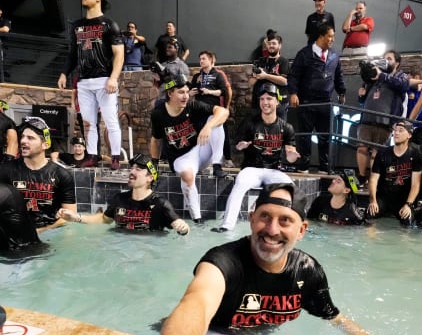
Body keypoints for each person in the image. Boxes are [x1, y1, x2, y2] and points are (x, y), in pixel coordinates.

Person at [140, 183, 410, 335]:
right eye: (264, 217)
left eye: (285, 221)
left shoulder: (306, 271)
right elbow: (197, 301)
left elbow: (334, 317)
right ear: (250, 219)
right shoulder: (225, 260)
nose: (271, 230)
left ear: (302, 230)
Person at [211, 83, 300, 233]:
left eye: (269, 99)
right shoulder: (250, 123)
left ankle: (297, 226)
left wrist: (291, 156)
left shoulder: (286, 127)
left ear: (277, 102)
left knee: (292, 188)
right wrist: (240, 146)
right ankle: (227, 225)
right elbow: (236, 147)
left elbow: (291, 157)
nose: (265, 103)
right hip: (251, 168)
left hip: (274, 170)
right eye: (262, 99)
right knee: (239, 185)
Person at [57, 0, 124, 170]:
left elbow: (119, 53)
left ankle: (116, 157)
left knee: (111, 120)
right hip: (84, 81)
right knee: (88, 123)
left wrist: (113, 78)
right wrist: (63, 73)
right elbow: (73, 53)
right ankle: (92, 155)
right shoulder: (77, 25)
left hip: (104, 79)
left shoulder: (109, 24)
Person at [150, 75, 229, 223]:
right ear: (170, 93)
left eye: (187, 92)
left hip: (201, 148)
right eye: (181, 92)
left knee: (216, 120)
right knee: (187, 175)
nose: (185, 96)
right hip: (181, 158)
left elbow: (224, 112)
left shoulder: (192, 105)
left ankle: (217, 165)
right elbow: (155, 140)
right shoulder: (158, 114)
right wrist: (154, 166)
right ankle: (197, 219)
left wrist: (207, 127)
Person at [57, 154, 190, 234]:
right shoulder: (120, 199)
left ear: (150, 178)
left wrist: (184, 228)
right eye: (131, 168)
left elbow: (179, 224)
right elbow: (103, 219)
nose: (131, 172)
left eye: (138, 169)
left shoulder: (160, 204)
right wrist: (75, 217)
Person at [0, 116, 76, 234]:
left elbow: (70, 218)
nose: (23, 141)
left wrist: (41, 231)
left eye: (30, 138)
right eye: (23, 137)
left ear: (45, 145)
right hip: (15, 233)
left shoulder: (62, 175)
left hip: (50, 233)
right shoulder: (6, 170)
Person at [288, 23, 346, 174]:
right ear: (321, 36)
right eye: (330, 36)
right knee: (305, 136)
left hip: (326, 103)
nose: (332, 39)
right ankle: (303, 167)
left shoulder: (334, 55)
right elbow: (293, 76)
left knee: (325, 137)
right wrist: (293, 93)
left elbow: (338, 76)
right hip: (307, 102)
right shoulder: (304, 54)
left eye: (333, 36)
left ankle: (324, 168)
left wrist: (342, 92)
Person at [356, 50, 409, 185]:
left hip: (385, 122)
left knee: (377, 153)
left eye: (390, 59)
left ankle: (374, 181)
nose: (386, 61)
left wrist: (382, 76)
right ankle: (361, 178)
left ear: (397, 63)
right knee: (362, 148)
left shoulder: (400, 76)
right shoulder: (374, 76)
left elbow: (404, 85)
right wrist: (361, 96)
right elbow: (363, 99)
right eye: (384, 58)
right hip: (367, 119)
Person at [367, 121, 422, 225]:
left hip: (404, 199)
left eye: (401, 131)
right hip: (384, 197)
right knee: (369, 216)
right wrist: (373, 200)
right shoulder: (382, 153)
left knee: (408, 222)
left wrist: (408, 204)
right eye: (395, 130)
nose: (396, 133)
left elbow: (416, 184)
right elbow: (373, 179)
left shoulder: (415, 154)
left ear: (409, 135)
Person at [249, 31, 290, 118]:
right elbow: (250, 83)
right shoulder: (260, 61)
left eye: (274, 43)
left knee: (279, 130)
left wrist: (266, 76)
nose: (271, 46)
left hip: (279, 105)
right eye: (269, 43)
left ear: (279, 45)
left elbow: (285, 81)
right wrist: (257, 76)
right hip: (260, 104)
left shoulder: (284, 61)